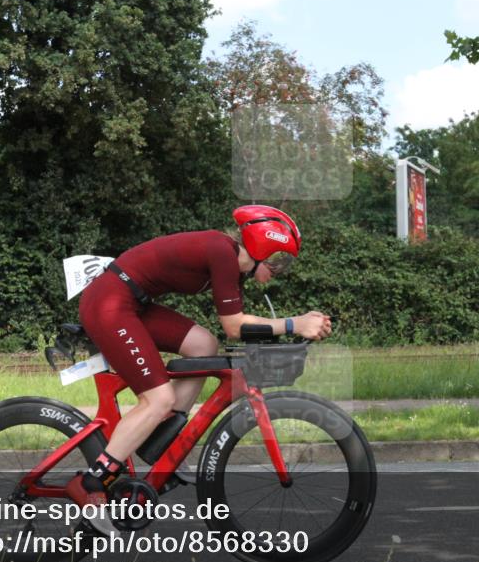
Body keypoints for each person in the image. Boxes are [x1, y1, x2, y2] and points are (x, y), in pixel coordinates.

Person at [65, 205, 332, 506]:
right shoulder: (222, 252)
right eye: (279, 262)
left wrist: (294, 323)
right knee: (158, 398)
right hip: (110, 302)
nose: (280, 271)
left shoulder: (231, 263)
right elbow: (234, 326)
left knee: (203, 345)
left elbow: (239, 321)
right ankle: (91, 481)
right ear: (262, 250)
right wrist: (295, 323)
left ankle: (165, 445)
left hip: (130, 300)